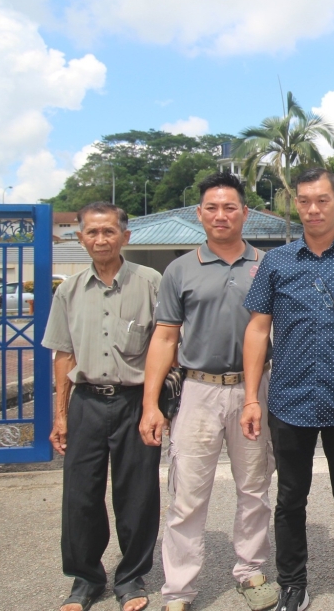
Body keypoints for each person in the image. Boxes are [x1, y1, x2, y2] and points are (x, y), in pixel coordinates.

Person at [242, 168, 334, 611]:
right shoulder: (276, 262)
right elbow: (257, 329)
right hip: (289, 399)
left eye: (322, 200)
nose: (312, 209)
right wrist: (252, 396)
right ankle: (293, 584)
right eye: (304, 200)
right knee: (290, 499)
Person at [139, 172, 278, 611]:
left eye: (230, 207)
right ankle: (178, 590)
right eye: (212, 208)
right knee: (187, 494)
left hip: (253, 390)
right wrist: (150, 405)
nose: (221, 216)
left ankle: (250, 571)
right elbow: (164, 338)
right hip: (198, 391)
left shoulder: (268, 265)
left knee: (255, 487)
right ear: (199, 214)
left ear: (245, 213)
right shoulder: (179, 269)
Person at [42, 202, 161, 611]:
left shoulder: (150, 282)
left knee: (137, 493)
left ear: (125, 236)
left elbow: (166, 346)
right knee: (81, 495)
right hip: (86, 402)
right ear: (80, 239)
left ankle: (131, 577)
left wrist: (155, 405)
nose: (100, 239)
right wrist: (60, 415)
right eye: (92, 233)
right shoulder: (68, 291)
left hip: (135, 402)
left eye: (109, 231)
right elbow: (62, 355)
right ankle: (85, 578)